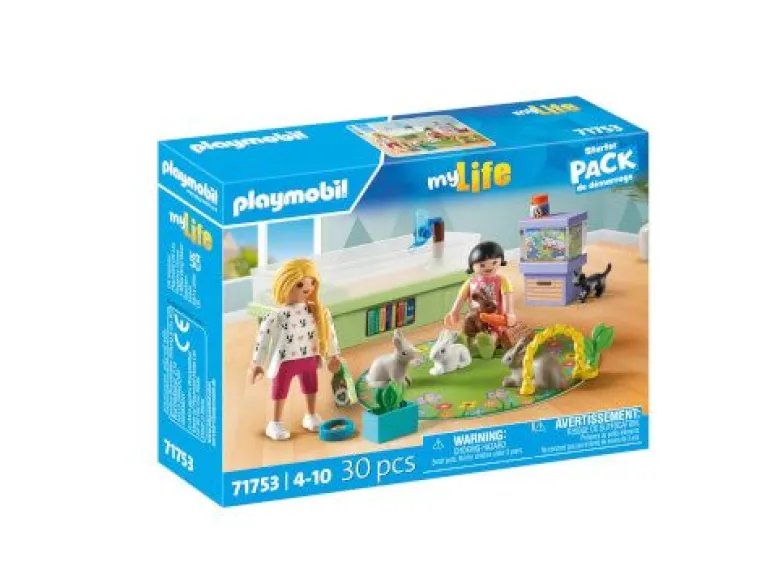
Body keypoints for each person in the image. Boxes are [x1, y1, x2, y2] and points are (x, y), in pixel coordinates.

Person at [248, 259, 342, 441]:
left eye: (311, 282)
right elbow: (263, 337)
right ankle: (275, 422)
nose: (307, 288)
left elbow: (330, 333)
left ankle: (310, 415)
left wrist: (334, 354)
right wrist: (257, 363)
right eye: (300, 284)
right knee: (280, 390)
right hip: (285, 360)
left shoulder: (319, 312)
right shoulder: (278, 315)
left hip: (309, 357)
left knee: (311, 387)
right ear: (284, 285)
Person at [444, 241, 519, 356]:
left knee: (494, 333)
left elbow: (507, 297)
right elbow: (461, 297)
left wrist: (509, 313)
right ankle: (464, 342)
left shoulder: (502, 281)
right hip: (474, 317)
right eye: (482, 265)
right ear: (472, 266)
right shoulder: (471, 282)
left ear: (501, 260)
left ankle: (488, 345)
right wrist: (454, 312)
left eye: (494, 262)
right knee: (468, 329)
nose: (489, 267)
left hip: (495, 317)